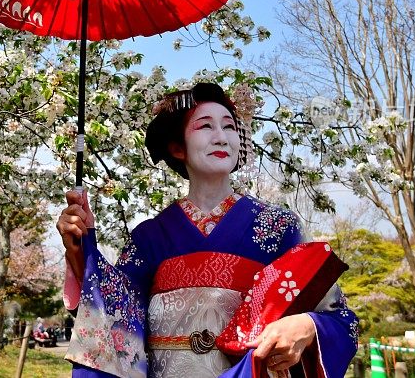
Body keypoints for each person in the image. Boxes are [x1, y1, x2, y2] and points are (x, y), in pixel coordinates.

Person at [56, 83, 359, 378]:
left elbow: (340, 318)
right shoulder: (150, 236)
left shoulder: (278, 227)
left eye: (229, 127)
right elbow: (114, 316)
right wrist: (82, 251)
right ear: (177, 148)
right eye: (205, 127)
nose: (221, 137)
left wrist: (306, 326)